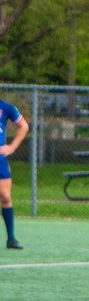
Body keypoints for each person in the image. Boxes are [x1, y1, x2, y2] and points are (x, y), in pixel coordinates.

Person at [0, 98, 29, 249]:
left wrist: (11, 147)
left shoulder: (5, 107)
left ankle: (11, 238)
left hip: (0, 160)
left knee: (5, 196)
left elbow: (24, 126)